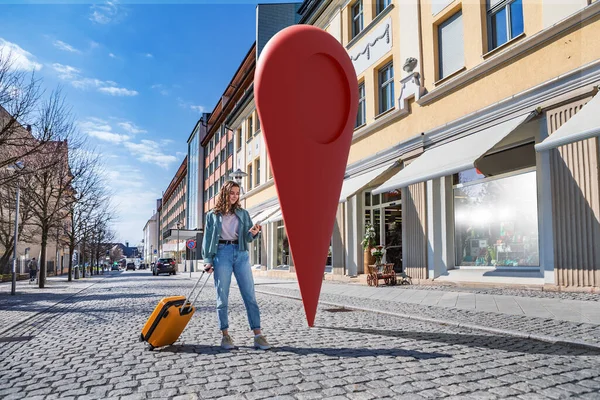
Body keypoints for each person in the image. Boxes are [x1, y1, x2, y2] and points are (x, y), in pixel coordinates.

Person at [202, 180, 271, 350]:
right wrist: (208, 261)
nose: (234, 196)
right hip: (221, 253)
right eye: (232, 193)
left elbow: (247, 237)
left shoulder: (243, 213)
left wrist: (254, 233)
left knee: (250, 295)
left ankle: (258, 335)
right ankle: (225, 336)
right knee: (222, 296)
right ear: (225, 193)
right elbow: (207, 239)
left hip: (240, 254)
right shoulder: (212, 215)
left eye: (237, 193)